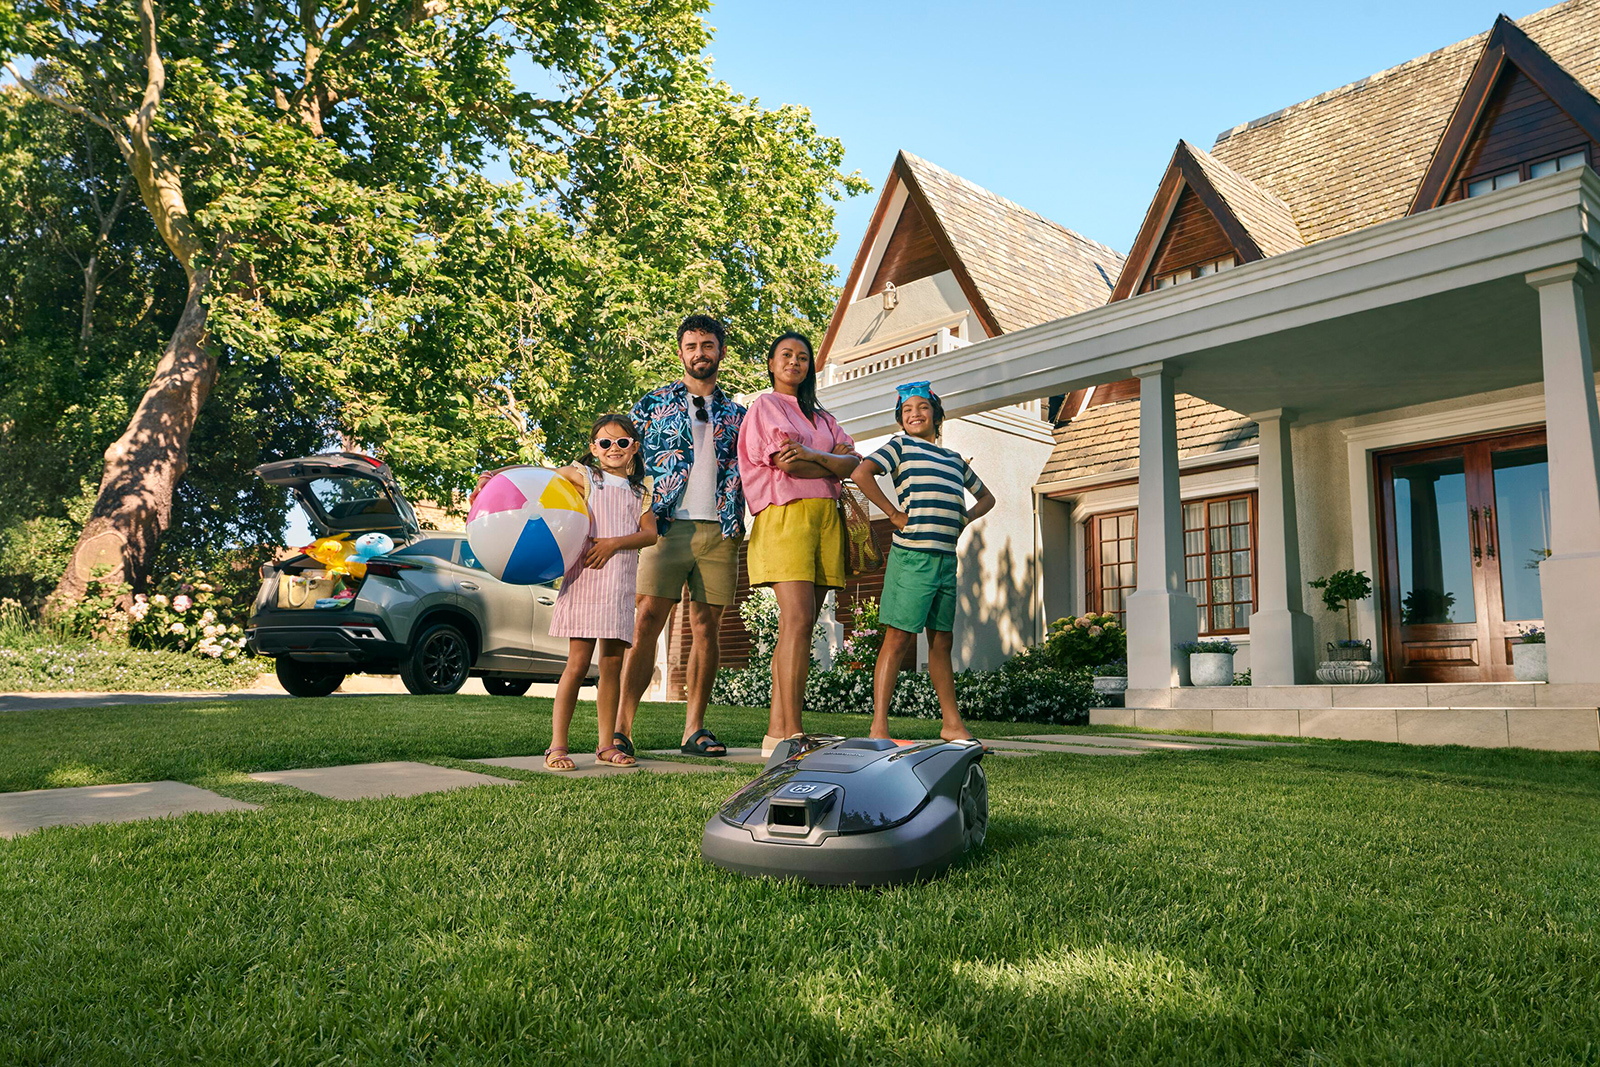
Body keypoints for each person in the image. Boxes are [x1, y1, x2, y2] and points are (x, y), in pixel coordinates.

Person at [615, 315, 746, 758]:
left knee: (707, 628)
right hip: (664, 526)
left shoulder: (739, 415)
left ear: (720, 352)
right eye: (691, 345)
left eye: (708, 345)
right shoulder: (651, 404)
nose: (700, 353)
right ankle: (622, 729)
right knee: (647, 619)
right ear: (681, 352)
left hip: (720, 528)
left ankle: (694, 730)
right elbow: (617, 456)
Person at [848, 381, 995, 743]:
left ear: (936, 414)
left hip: (946, 560)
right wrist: (892, 513)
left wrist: (964, 518)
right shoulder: (900, 447)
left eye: (922, 407)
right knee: (897, 639)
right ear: (901, 419)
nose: (915, 414)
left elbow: (987, 498)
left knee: (941, 642)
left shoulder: (954, 460)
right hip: (911, 557)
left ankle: (952, 725)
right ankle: (879, 727)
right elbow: (861, 473)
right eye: (907, 410)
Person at [738, 331, 858, 755]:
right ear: (771, 363)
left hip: (826, 520)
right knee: (798, 620)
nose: (795, 362)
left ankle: (776, 732)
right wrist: (829, 464)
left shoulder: (822, 418)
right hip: (785, 516)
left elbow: (852, 461)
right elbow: (784, 465)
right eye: (786, 355)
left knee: (802, 628)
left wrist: (817, 460)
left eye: (803, 357)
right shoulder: (764, 407)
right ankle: (791, 732)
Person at [543, 415, 658, 770]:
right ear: (593, 449)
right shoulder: (586, 478)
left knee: (611, 667)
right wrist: (495, 476)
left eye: (622, 443)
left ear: (634, 448)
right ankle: (557, 747)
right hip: (585, 582)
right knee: (576, 665)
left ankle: (606, 745)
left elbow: (650, 535)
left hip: (619, 588)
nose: (613, 449)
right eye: (605, 443)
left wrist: (613, 544)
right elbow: (540, 476)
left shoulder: (641, 491)